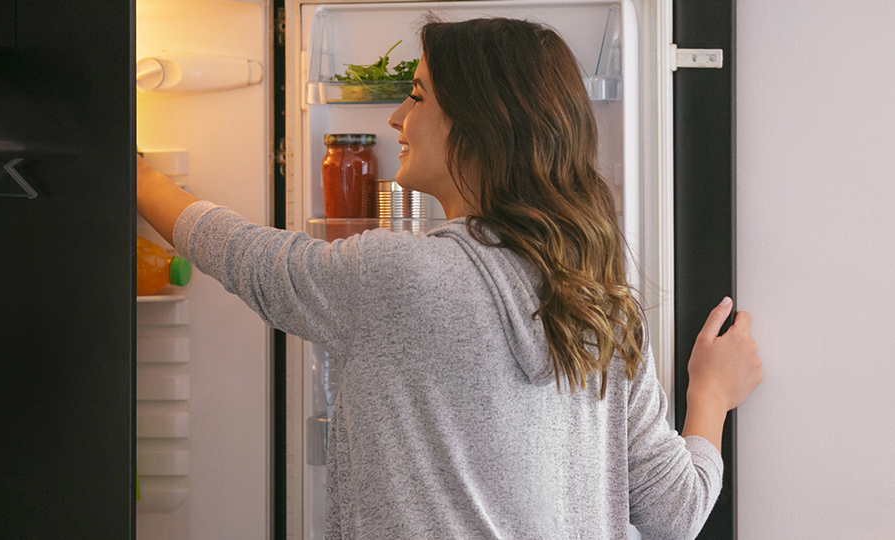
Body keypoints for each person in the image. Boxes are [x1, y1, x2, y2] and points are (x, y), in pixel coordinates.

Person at [137, 17, 762, 540]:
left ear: (478, 121)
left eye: (417, 94)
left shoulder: (403, 275)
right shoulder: (600, 299)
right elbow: (675, 513)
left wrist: (134, 175)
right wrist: (709, 393)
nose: (396, 118)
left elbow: (252, 261)